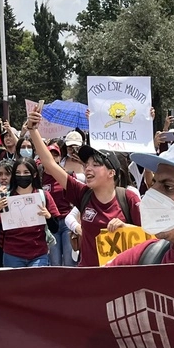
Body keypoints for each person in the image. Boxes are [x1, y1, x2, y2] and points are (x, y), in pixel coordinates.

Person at [24, 110, 141, 267]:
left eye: (96, 164)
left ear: (111, 172)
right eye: (86, 165)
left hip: (120, 279)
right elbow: (50, 164)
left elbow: (151, 238)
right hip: (88, 278)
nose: (88, 169)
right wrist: (33, 130)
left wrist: (127, 228)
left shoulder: (128, 198)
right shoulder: (82, 194)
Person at [0, 158, 60, 268]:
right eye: (18, 173)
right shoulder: (6, 198)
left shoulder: (44, 196)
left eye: (26, 172)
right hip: (12, 255)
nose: (22, 176)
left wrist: (48, 216)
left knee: (36, 285)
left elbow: (55, 228)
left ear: (34, 174)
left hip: (38, 254)